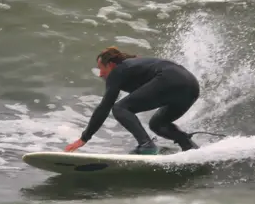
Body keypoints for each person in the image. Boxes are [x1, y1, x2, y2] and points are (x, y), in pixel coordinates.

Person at [65, 46, 200, 155]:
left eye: (101, 68)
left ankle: (147, 146)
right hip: (191, 87)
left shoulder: (118, 71)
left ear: (111, 65)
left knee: (119, 108)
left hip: (170, 79)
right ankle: (188, 146)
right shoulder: (133, 68)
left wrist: (84, 138)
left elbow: (105, 107)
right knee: (157, 124)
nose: (100, 74)